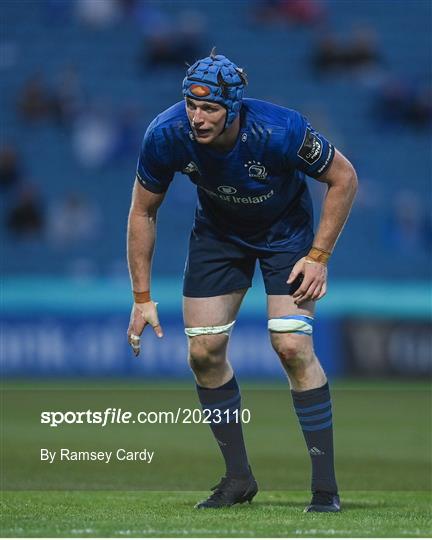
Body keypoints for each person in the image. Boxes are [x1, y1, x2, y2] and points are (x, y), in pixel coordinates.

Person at [126, 49, 357, 512]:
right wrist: (142, 296)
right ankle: (238, 479)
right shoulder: (166, 133)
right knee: (203, 352)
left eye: (209, 107)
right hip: (218, 236)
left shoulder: (281, 129)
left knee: (292, 347)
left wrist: (319, 256)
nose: (197, 117)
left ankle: (325, 489)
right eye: (191, 106)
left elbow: (344, 178)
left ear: (233, 107)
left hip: (286, 236)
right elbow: (142, 210)